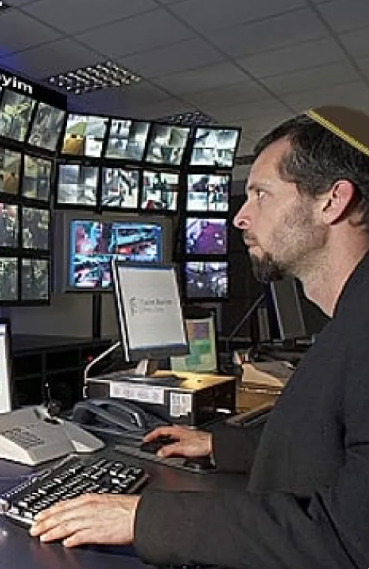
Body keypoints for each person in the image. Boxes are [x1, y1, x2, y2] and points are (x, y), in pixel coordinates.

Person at [28, 105, 369, 569]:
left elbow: (350, 539)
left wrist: (144, 518)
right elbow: (326, 440)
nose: (240, 217)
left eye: (261, 194)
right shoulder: (351, 320)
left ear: (332, 201)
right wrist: (220, 445)